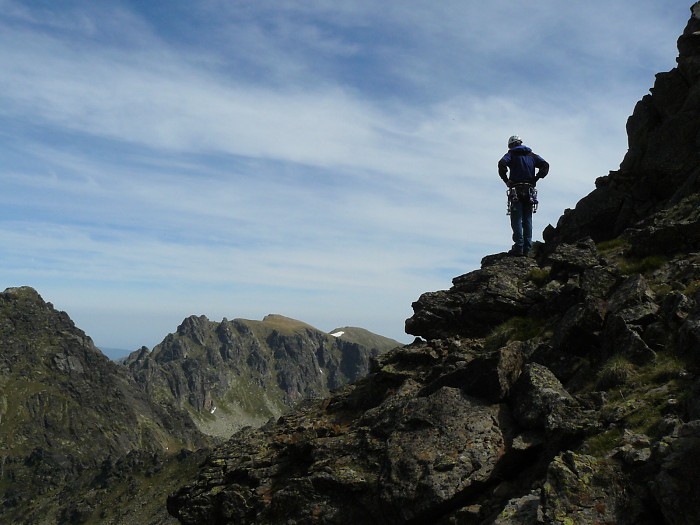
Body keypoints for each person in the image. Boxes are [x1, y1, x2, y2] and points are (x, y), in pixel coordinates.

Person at [498, 135, 549, 256]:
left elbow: (502, 164)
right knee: (527, 219)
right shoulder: (532, 155)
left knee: (516, 218)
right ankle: (527, 248)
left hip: (516, 189)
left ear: (511, 145)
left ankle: (519, 247)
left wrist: (506, 180)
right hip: (529, 191)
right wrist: (536, 178)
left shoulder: (511, 154)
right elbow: (545, 165)